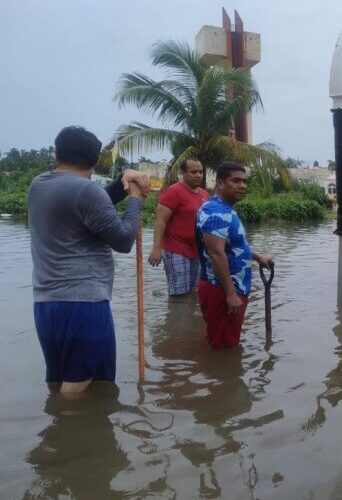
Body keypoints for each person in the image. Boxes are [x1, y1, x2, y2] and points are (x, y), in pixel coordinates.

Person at [28, 126, 150, 394]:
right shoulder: (87, 191)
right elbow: (122, 240)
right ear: (96, 161)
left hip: (46, 303)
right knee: (82, 381)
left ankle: (58, 428)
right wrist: (135, 200)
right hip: (83, 303)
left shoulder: (38, 185)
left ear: (56, 153)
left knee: (59, 380)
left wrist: (121, 183)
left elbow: (86, 205)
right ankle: (67, 433)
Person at [195, 162, 272, 348]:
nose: (242, 185)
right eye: (236, 181)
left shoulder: (225, 209)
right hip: (222, 290)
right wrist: (230, 294)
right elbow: (216, 253)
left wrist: (257, 256)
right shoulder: (215, 213)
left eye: (245, 181)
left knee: (222, 340)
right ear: (220, 183)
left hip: (230, 288)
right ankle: (222, 376)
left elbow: (232, 245)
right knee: (224, 349)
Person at [148, 158, 208, 296]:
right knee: (179, 294)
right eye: (193, 172)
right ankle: (175, 317)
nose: (198, 175)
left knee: (193, 293)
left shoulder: (204, 194)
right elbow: (160, 221)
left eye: (200, 172)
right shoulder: (174, 192)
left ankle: (188, 318)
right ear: (183, 173)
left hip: (197, 250)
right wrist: (156, 249)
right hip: (176, 248)